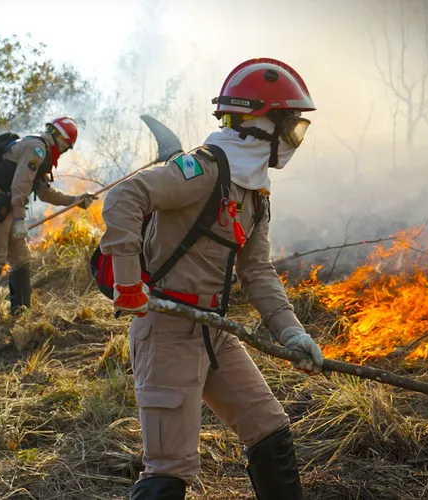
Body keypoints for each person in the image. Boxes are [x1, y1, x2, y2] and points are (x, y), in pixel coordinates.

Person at [98, 58, 326, 500]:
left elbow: (257, 271)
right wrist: (128, 282)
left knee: (270, 430)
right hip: (166, 330)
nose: (295, 139)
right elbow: (126, 196)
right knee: (169, 469)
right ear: (263, 123)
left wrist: (292, 332)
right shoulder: (201, 171)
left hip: (214, 330)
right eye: (292, 127)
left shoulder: (254, 191)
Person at [0, 117, 96, 327]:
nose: (65, 151)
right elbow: (20, 187)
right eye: (66, 146)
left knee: (21, 258)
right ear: (58, 138)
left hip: (6, 206)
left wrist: (75, 201)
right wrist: (20, 219)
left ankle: (21, 312)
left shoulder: (42, 153)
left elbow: (44, 192)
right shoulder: (36, 149)